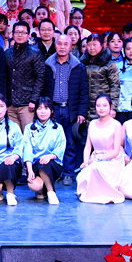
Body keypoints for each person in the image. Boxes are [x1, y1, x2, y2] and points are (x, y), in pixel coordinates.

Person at [41, 34, 89, 186]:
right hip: (52, 109)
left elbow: (84, 91)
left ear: (71, 46)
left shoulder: (78, 66)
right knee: (52, 142)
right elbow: (42, 87)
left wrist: (81, 112)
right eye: (59, 43)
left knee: (70, 142)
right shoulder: (47, 65)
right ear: (55, 45)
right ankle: (54, 172)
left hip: (70, 109)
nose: (62, 47)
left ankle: (68, 173)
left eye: (65, 44)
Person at [75, 94, 128, 204]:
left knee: (95, 169)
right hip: (95, 158)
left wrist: (98, 159)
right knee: (83, 174)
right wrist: (85, 162)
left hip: (112, 160)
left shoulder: (116, 124)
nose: (101, 108)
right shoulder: (92, 124)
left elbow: (116, 151)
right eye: (98, 105)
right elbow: (88, 146)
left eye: (104, 105)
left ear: (110, 107)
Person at [23, 97, 66, 204]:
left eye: (46, 108)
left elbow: (61, 147)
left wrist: (50, 156)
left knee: (45, 164)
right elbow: (27, 150)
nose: (42, 111)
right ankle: (41, 190)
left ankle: (51, 192)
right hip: (35, 165)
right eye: (39, 108)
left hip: (53, 164)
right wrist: (30, 171)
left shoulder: (58, 128)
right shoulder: (28, 128)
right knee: (34, 184)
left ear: (52, 111)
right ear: (35, 110)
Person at [5, 22, 46, 130]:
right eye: (17, 32)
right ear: (13, 34)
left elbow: (40, 78)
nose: (20, 35)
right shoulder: (7, 53)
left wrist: (33, 100)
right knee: (13, 136)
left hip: (27, 104)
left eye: (23, 32)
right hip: (10, 104)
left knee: (28, 135)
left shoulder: (35, 53)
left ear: (28, 35)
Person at [80, 33, 120, 123]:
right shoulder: (82, 63)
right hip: (85, 108)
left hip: (103, 106)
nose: (91, 47)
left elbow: (115, 87)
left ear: (102, 45)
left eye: (95, 44)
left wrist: (113, 108)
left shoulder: (109, 64)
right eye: (89, 45)